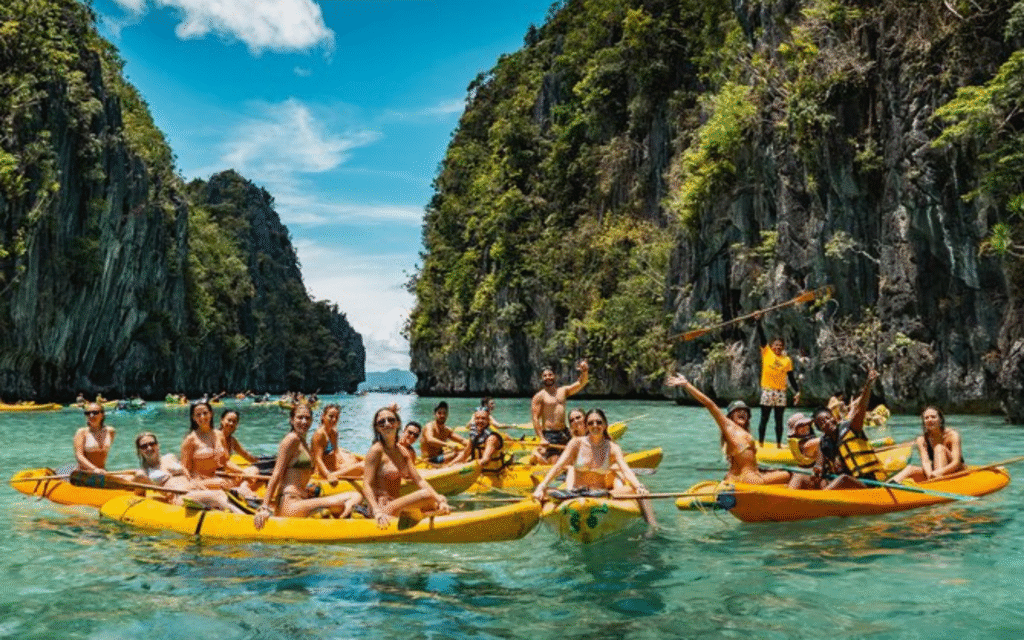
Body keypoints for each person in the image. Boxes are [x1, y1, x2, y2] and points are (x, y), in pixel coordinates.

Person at [533, 408, 657, 528]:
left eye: (599, 422)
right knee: (543, 491)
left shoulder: (612, 448)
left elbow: (625, 470)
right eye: (591, 423)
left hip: (600, 494)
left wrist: (638, 486)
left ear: (605, 425)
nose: (595, 425)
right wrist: (541, 487)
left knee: (641, 489)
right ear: (586, 426)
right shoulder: (576, 443)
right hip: (576, 494)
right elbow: (558, 466)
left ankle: (653, 526)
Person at [666, 373, 791, 485]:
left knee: (781, 471)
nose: (742, 412)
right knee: (790, 475)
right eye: (738, 411)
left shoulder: (745, 433)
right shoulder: (728, 427)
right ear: (730, 416)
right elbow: (709, 404)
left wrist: (762, 470)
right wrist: (687, 385)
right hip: (750, 479)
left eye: (745, 411)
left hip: (750, 475)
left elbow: (745, 462)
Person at [254, 404, 362, 529]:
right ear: (291, 420)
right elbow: (277, 473)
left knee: (356, 496)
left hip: (302, 500)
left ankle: (342, 518)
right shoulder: (291, 439)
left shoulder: (303, 442)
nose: (304, 422)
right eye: (300, 418)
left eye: (307, 418)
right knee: (343, 502)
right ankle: (343, 522)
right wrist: (265, 506)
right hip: (290, 504)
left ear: (311, 420)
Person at [359, 406, 450, 530]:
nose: (387, 424)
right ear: (377, 428)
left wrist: (439, 499)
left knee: (436, 498)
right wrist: (377, 512)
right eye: (381, 422)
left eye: (391, 420)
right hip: (381, 508)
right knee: (428, 495)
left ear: (398, 423)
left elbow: (419, 480)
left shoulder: (402, 451)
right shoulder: (376, 450)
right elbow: (366, 485)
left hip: (396, 504)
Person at [795, 368, 885, 490]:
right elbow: (819, 464)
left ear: (834, 418)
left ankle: (820, 503)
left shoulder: (851, 428)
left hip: (867, 483)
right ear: (819, 429)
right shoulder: (823, 443)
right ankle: (786, 501)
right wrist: (817, 470)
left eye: (828, 418)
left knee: (843, 478)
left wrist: (868, 385)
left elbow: (860, 410)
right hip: (839, 486)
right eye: (822, 423)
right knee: (799, 476)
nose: (827, 422)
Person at [132, 432, 245, 513]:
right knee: (215, 495)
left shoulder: (170, 457)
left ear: (157, 445)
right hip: (180, 497)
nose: (149, 447)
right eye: (144, 446)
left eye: (152, 443)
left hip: (195, 486)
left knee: (229, 490)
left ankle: (247, 508)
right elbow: (138, 493)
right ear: (139, 451)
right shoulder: (143, 473)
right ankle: (243, 519)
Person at [754, 314, 801, 448]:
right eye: (776, 345)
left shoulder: (786, 360)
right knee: (764, 419)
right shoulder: (767, 353)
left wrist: (797, 391)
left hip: (781, 392)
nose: (778, 347)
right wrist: (758, 322)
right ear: (772, 346)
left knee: (779, 421)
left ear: (783, 347)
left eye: (780, 346)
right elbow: (762, 338)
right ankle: (761, 444)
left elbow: (791, 377)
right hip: (768, 391)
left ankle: (779, 444)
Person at [530, 360, 589, 464]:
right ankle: (538, 457)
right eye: (545, 376)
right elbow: (535, 419)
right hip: (550, 435)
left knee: (577, 459)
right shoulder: (539, 397)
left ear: (554, 376)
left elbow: (581, 383)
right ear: (542, 378)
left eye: (550, 375)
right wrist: (542, 439)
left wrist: (584, 371)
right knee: (556, 464)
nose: (548, 377)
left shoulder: (563, 391)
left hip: (564, 432)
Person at [888, 406, 965, 483]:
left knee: (939, 448)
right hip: (936, 472)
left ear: (940, 419)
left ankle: (937, 484)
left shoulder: (952, 435)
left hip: (955, 470)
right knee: (910, 468)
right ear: (924, 422)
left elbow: (956, 463)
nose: (930, 420)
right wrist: (930, 475)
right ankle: (884, 487)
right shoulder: (921, 440)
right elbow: (926, 462)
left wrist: (938, 472)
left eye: (933, 417)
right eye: (926, 418)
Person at [180, 401, 231, 488]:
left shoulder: (219, 435)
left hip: (216, 478)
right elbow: (184, 468)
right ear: (193, 418)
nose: (202, 417)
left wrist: (242, 472)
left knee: (253, 470)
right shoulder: (190, 439)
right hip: (199, 481)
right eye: (198, 415)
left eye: (205, 413)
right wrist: (192, 484)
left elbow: (226, 462)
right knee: (222, 482)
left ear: (211, 413)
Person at [310, 403, 363, 483]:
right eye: (331, 416)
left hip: (333, 467)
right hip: (323, 471)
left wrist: (343, 464)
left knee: (355, 459)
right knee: (362, 466)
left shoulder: (334, 432)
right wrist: (328, 475)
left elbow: (336, 452)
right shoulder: (320, 434)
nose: (334, 419)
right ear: (323, 416)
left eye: (336, 417)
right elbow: (318, 459)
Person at [73, 402, 116, 472]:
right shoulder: (82, 432)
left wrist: (99, 470)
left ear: (102, 415)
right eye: (88, 413)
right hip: (84, 473)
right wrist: (94, 469)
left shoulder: (110, 431)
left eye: (95, 412)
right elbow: (79, 455)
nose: (91, 415)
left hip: (102, 472)